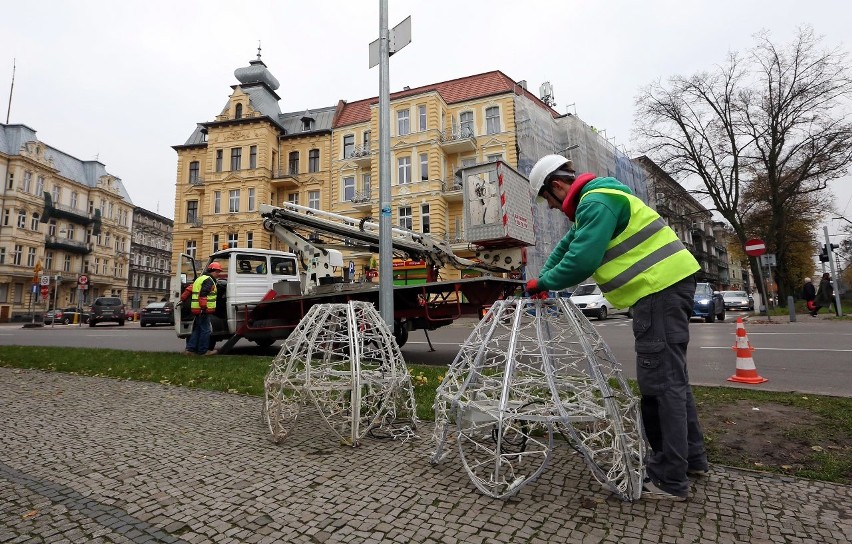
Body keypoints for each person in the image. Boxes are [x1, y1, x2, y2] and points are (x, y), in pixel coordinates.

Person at [524, 155, 707, 501]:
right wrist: (545, 279)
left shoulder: (597, 202)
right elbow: (567, 247)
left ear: (558, 186)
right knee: (673, 380)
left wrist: (540, 283)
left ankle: (669, 478)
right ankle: (690, 460)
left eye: (547, 199)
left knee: (659, 385)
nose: (549, 207)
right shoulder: (598, 199)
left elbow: (582, 259)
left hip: (658, 290)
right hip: (665, 288)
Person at [180, 262, 223, 356]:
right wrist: (204, 308)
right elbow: (203, 294)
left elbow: (189, 289)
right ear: (213, 271)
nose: (218, 274)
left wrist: (182, 299)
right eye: (217, 271)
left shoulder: (200, 279)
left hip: (196, 309)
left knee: (198, 329)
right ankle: (203, 351)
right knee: (206, 330)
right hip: (202, 310)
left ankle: (190, 350)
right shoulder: (209, 280)